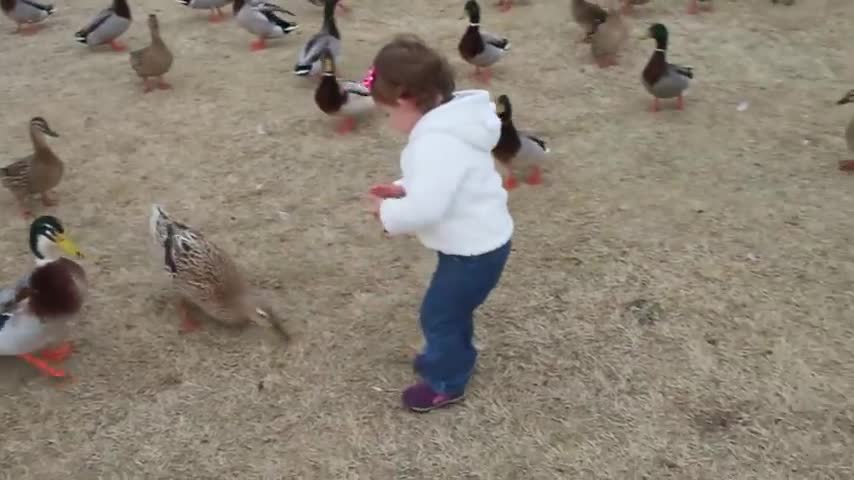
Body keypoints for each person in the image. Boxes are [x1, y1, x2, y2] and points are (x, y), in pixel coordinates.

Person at [366, 34, 514, 413]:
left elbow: (427, 208)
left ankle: (445, 380)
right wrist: (402, 189)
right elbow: (440, 184)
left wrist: (387, 215)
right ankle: (452, 357)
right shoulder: (452, 127)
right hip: (478, 243)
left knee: (440, 313)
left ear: (404, 100)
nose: (388, 121)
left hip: (473, 252)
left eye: (386, 112)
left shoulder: (436, 142)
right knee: (451, 310)